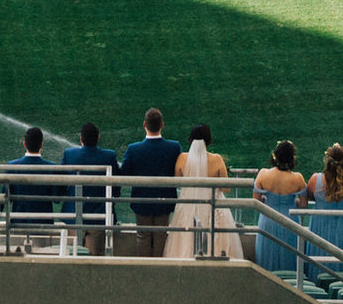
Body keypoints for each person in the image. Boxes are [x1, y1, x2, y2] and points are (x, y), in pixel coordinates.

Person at [119, 108, 183, 258]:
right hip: (164, 200)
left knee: (143, 236)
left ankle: (144, 268)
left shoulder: (133, 149)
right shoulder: (174, 147)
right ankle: (159, 269)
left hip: (141, 200)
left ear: (144, 125)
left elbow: (124, 174)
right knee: (161, 236)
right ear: (162, 125)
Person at [300, 143, 343, 287]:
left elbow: (310, 196)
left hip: (321, 225)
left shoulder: (315, 179)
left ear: (327, 161)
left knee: (320, 257)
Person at [165, 124, 232, 260]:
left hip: (187, 205)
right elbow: (227, 188)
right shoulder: (217, 159)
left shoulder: (182, 158)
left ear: (190, 139)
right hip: (213, 206)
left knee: (183, 238)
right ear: (208, 140)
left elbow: (177, 182)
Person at [61, 123, 118, 254]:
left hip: (72, 217)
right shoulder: (109, 156)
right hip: (99, 218)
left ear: (81, 139)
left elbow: (62, 184)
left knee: (72, 258)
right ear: (98, 138)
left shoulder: (69, 154)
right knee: (94, 262)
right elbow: (116, 187)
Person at [253, 141, 308, 278]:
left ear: (275, 156)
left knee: (266, 257)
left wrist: (267, 200)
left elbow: (256, 201)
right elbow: (303, 205)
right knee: (289, 257)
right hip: (289, 221)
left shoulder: (263, 174)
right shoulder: (298, 178)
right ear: (292, 158)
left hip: (268, 219)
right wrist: (291, 201)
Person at [6, 125, 56, 240]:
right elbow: (56, 198)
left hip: (19, 223)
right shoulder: (51, 168)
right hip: (44, 224)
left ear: (24, 144)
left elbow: (8, 196)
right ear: (42, 145)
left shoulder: (12, 166)